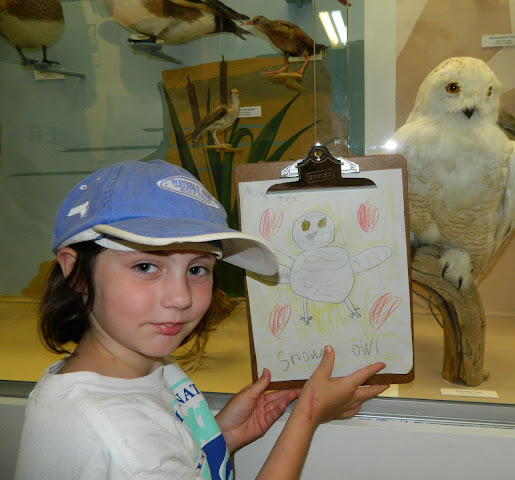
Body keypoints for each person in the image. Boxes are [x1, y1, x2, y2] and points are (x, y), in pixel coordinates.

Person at [13, 159, 389, 480]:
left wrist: (219, 436)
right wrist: (307, 414)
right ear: (76, 272)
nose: (181, 298)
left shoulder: (138, 364)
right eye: (145, 266)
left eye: (197, 269)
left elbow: (168, 452)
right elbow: (142, 455)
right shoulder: (123, 440)